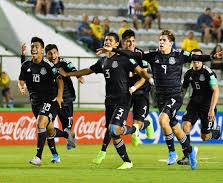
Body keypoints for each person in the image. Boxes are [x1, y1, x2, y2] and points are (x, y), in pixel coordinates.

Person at [97, 29, 223, 169]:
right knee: (176, 128)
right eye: (160, 40)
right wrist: (116, 50)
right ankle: (190, 151)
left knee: (162, 119)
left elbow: (198, 58)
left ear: (171, 43)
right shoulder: (153, 55)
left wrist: (214, 56)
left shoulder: (179, 55)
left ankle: (172, 152)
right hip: (160, 97)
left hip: (175, 96)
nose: (161, 42)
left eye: (164, 40)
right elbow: (133, 53)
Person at [59, 32, 153, 169]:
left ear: (116, 44)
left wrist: (148, 77)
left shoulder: (124, 59)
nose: (107, 41)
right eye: (106, 39)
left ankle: (137, 129)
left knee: (114, 129)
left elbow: (141, 71)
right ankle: (127, 161)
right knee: (114, 133)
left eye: (110, 40)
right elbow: (88, 70)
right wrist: (69, 74)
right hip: (109, 101)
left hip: (123, 100)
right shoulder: (103, 61)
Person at [18, 37, 75, 166]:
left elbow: (60, 80)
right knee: (49, 130)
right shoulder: (26, 65)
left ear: (42, 49)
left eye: (37, 46)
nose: (34, 48)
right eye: (32, 46)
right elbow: (21, 79)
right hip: (35, 102)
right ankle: (65, 137)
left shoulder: (48, 66)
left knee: (41, 122)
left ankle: (38, 157)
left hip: (50, 100)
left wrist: (59, 97)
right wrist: (21, 86)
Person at [173, 48, 221, 165]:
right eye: (194, 58)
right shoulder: (188, 73)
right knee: (185, 126)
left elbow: (216, 91)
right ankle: (188, 156)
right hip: (194, 103)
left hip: (207, 106)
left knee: (204, 137)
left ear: (202, 59)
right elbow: (183, 90)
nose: (196, 60)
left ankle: (215, 132)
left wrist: (211, 110)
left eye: (199, 58)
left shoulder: (208, 73)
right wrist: (177, 103)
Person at [120, 29, 154, 147]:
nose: (131, 44)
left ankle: (146, 124)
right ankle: (145, 124)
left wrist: (134, 88)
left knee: (136, 123)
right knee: (119, 123)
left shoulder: (140, 55)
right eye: (128, 41)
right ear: (123, 42)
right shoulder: (119, 55)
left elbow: (144, 77)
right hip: (125, 92)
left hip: (141, 90)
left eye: (133, 41)